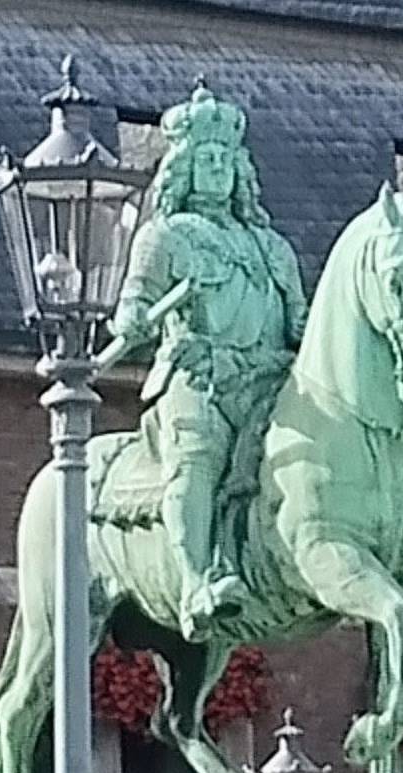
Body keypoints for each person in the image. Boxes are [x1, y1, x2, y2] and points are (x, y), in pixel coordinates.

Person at [108, 83, 308, 638]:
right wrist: (133, 322)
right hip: (199, 377)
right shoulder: (164, 237)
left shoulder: (274, 248)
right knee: (195, 465)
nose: (218, 168)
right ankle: (196, 581)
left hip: (269, 379)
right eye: (206, 159)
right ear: (184, 168)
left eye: (227, 159)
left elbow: (298, 323)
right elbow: (133, 309)